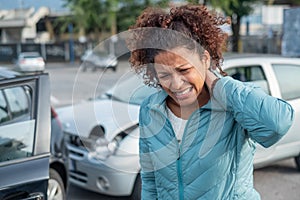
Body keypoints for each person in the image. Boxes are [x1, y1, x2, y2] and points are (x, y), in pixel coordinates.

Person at [127, 4, 294, 200]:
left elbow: (278, 124)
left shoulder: (233, 104)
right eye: (164, 74)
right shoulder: (150, 109)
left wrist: (218, 84)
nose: (176, 84)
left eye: (184, 70)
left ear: (205, 59)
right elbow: (150, 180)